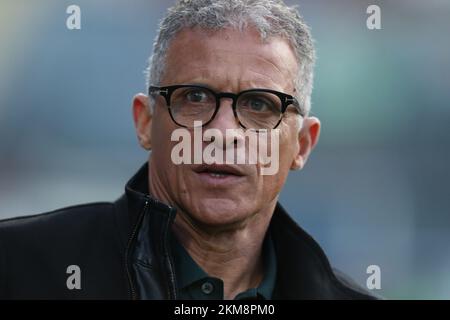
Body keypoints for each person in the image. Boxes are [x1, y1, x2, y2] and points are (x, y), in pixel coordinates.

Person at [0, 0, 375, 299]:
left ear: (302, 145)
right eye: (195, 97)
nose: (223, 132)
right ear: (145, 122)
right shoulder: (17, 268)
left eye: (259, 105)